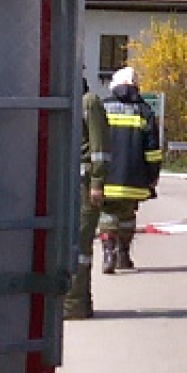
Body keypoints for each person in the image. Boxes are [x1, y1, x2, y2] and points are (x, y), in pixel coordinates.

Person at [95, 66, 162, 276]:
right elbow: (152, 150)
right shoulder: (144, 111)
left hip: (106, 176)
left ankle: (108, 254)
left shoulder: (102, 108)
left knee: (107, 214)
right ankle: (123, 255)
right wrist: (152, 177)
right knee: (127, 216)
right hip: (135, 178)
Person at [64, 77, 110, 319]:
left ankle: (75, 304)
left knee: (80, 244)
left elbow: (100, 148)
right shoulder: (67, 101)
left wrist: (97, 183)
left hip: (84, 184)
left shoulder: (89, 102)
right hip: (67, 183)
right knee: (68, 243)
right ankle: (75, 301)